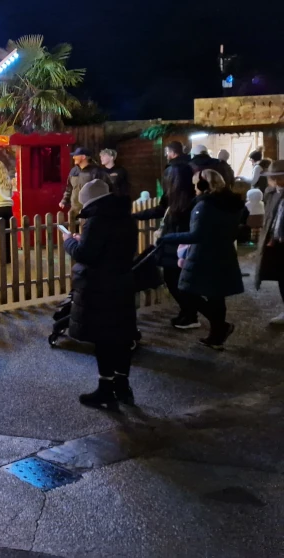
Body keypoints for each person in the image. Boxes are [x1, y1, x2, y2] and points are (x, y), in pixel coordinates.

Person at [62, 179, 138, 409]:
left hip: (100, 285)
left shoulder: (97, 220)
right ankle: (122, 385)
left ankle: (106, 389)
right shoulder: (125, 216)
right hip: (123, 282)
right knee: (122, 336)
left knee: (104, 338)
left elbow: (86, 254)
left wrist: (69, 242)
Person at [158, 170, 244, 350]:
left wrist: (167, 238)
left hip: (204, 255)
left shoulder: (204, 205)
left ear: (203, 184)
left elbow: (196, 235)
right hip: (224, 253)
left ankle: (220, 326)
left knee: (186, 290)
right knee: (216, 296)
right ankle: (216, 336)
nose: (194, 188)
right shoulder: (232, 203)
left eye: (195, 183)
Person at [134, 162, 203, 329]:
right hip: (172, 245)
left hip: (180, 247)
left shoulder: (192, 200)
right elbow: (160, 210)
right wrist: (136, 215)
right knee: (174, 281)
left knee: (178, 282)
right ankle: (188, 312)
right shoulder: (174, 196)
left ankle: (192, 315)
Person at [254, 160, 284, 325]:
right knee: (282, 277)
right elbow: (271, 218)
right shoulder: (271, 193)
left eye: (280, 177)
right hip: (277, 243)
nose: (277, 181)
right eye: (273, 178)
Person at [60, 148, 110, 217]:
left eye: (76, 155)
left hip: (90, 212)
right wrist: (64, 200)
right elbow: (69, 188)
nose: (73, 157)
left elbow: (105, 192)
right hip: (75, 210)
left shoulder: (97, 172)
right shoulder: (73, 171)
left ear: (83, 157)